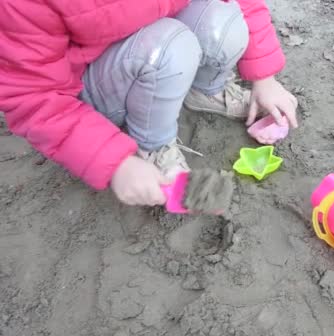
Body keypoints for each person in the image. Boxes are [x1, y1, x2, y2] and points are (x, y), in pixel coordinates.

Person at [0, 0, 298, 207]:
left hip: (153, 34)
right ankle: (151, 146)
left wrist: (265, 78)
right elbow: (33, 96)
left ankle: (204, 90)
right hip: (95, 84)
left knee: (222, 20)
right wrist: (114, 161)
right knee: (168, 49)